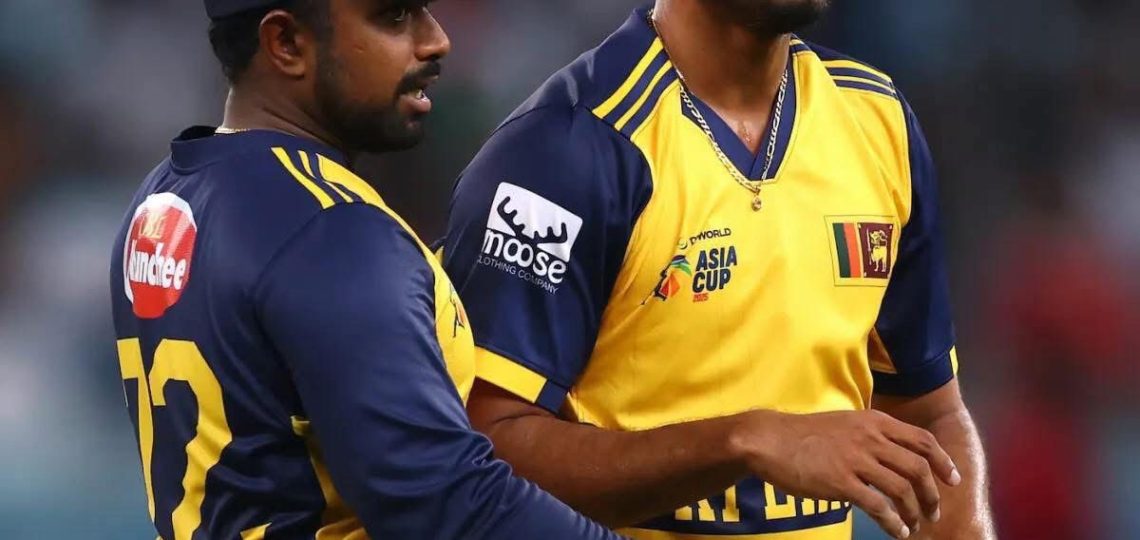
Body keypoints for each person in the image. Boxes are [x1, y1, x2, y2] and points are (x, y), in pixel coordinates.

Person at [441, 1, 994, 539]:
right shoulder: (563, 151)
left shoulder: (877, 120)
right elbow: (483, 457)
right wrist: (743, 442)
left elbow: (928, 415)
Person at [108, 1, 620, 538]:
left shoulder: (162, 198)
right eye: (393, 17)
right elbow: (449, 504)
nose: (436, 40)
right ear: (286, 43)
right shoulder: (330, 229)